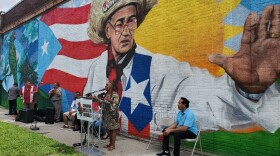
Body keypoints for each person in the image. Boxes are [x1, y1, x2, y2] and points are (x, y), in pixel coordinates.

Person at [83, 0, 280, 133]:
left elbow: (211, 102)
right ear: (107, 30)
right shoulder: (97, 67)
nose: (126, 31)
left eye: (131, 21)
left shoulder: (159, 67)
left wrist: (248, 91)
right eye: (119, 23)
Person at [98, 82, 120, 151]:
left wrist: (108, 100)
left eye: (107, 85)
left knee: (113, 130)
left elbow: (115, 103)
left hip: (113, 115)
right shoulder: (106, 94)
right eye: (105, 85)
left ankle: (113, 145)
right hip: (107, 114)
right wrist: (99, 101)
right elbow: (104, 105)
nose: (105, 86)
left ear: (111, 86)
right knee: (109, 129)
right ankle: (110, 143)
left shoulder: (115, 94)